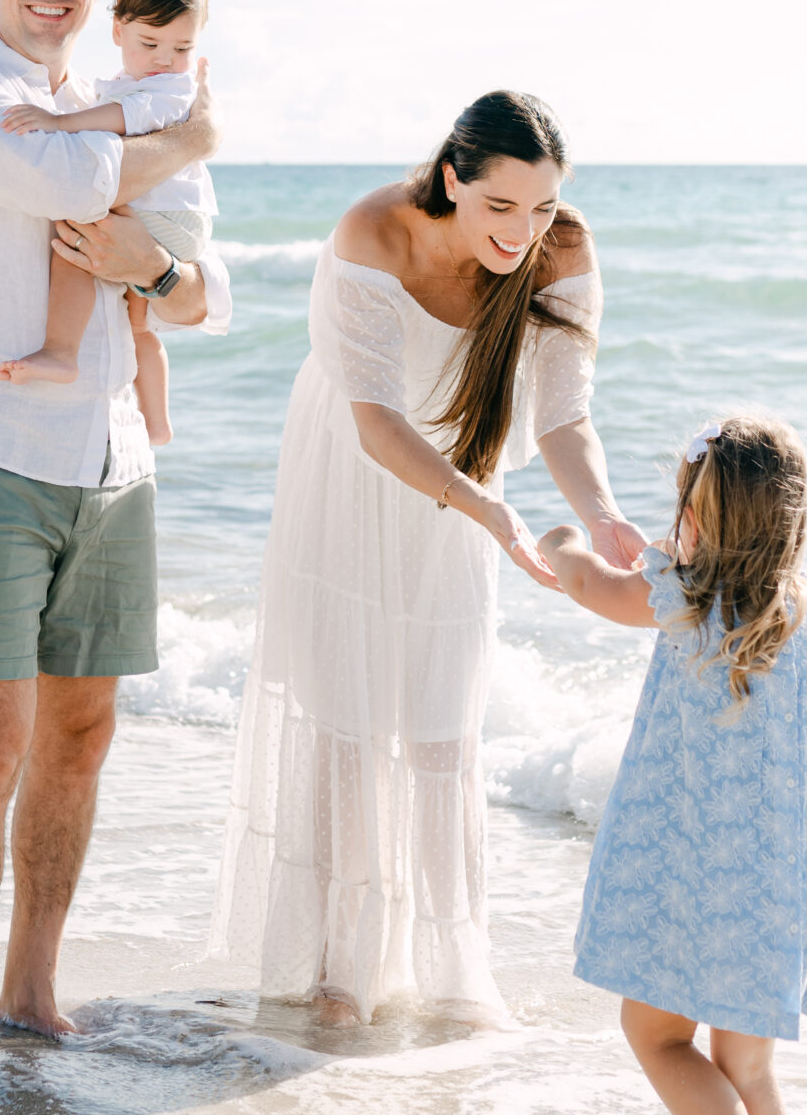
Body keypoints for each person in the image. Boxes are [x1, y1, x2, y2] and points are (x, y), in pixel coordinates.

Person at [210, 89, 648, 1029]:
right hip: (355, 475)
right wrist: (488, 509)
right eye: (500, 207)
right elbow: (375, 424)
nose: (523, 232)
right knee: (348, 727)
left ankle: (451, 969)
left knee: (443, 731)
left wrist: (604, 517)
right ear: (453, 179)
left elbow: (565, 415)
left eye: (541, 207)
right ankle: (336, 972)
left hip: (460, 482)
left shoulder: (561, 249)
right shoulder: (376, 231)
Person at [0, 0, 231, 1061]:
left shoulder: (111, 100)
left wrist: (152, 264)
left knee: (82, 739)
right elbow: (63, 186)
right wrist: (181, 138)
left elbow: (206, 294)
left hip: (112, 461)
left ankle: (34, 986)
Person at [540, 413, 807, 1115]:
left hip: (697, 877)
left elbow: (592, 586)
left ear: (703, 521)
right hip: (781, 885)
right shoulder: (806, 609)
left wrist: (563, 541)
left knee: (656, 1035)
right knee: (746, 1062)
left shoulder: (682, 596)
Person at [0, 0, 216, 448]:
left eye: (181, 47)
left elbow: (121, 118)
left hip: (168, 218)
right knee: (139, 327)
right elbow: (115, 104)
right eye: (150, 43)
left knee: (77, 231)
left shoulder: (172, 91)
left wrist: (58, 122)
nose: (164, 59)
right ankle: (157, 423)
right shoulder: (137, 84)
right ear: (117, 29)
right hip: (177, 217)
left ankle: (60, 349)